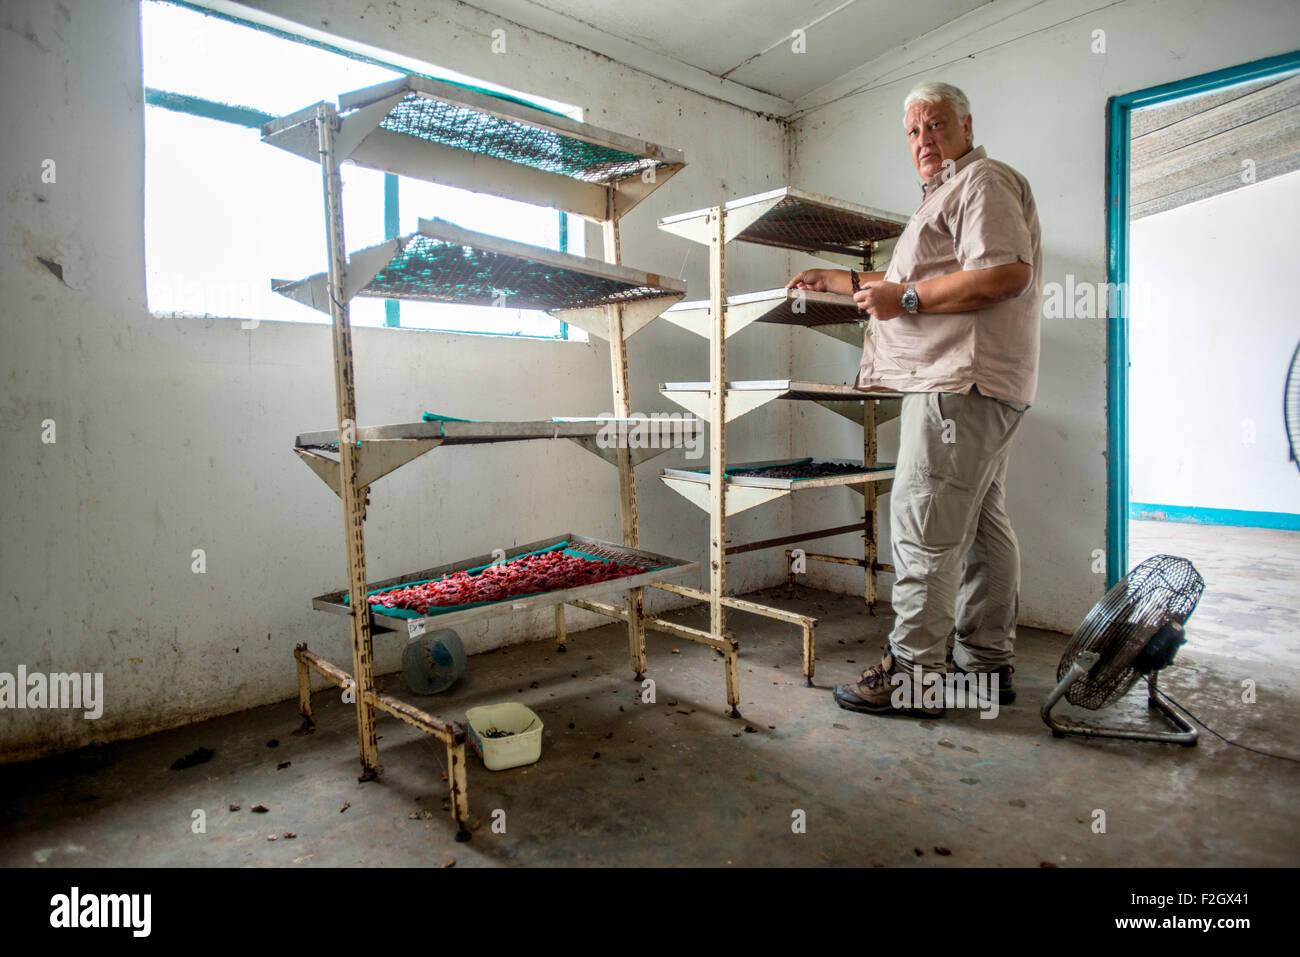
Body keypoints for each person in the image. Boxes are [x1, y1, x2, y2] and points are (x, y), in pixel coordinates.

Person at [787, 81, 1042, 717]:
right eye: (913, 131)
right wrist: (840, 279)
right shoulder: (951, 193)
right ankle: (985, 665)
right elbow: (922, 277)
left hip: (959, 381)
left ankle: (913, 675)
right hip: (980, 385)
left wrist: (902, 300)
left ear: (966, 125)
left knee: (923, 526)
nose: (923, 140)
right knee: (982, 526)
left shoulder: (983, 182)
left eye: (936, 126)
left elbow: (1005, 274)